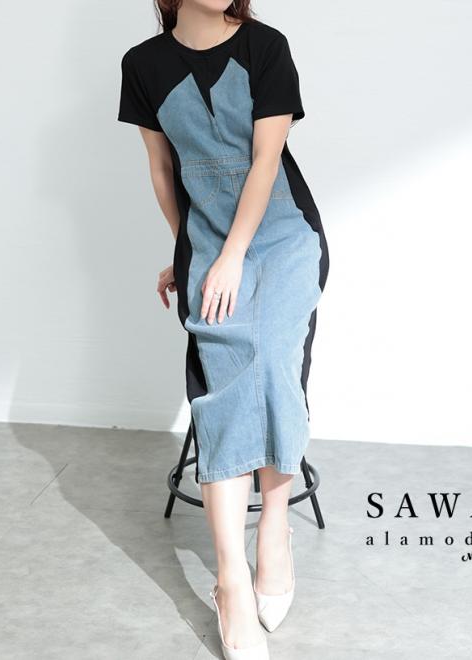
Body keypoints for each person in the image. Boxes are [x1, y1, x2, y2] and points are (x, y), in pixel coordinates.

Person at [117, 1, 329, 657]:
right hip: (210, 246)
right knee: (233, 376)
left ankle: (273, 536)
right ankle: (231, 583)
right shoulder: (143, 64)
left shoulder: (266, 46)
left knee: (270, 360)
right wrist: (191, 252)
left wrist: (231, 255)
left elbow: (266, 160)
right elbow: (162, 169)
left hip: (284, 236)